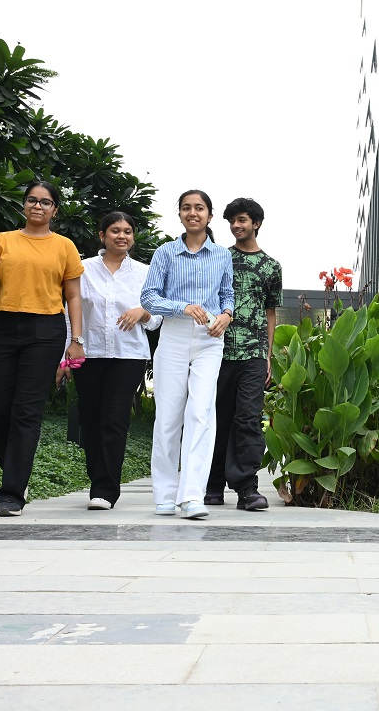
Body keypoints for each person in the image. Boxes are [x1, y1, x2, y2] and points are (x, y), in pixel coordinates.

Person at [0, 180, 85, 517]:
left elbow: (73, 296)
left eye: (45, 202)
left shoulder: (64, 247)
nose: (37, 206)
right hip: (3, 327)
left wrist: (76, 340)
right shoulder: (3, 241)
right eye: (32, 200)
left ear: (54, 210)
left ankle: (12, 492)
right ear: (23, 205)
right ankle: (15, 470)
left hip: (45, 330)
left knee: (26, 412)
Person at [140, 190, 234, 520]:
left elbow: (227, 295)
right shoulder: (166, 253)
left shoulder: (222, 255)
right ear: (179, 214)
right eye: (186, 208)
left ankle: (192, 495)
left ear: (209, 215)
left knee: (201, 413)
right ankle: (165, 494)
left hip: (210, 338)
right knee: (168, 417)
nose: (193, 213)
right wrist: (182, 306)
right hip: (175, 336)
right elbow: (149, 298)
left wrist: (226, 314)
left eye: (199, 208)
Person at [60, 211, 162, 511]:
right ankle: (98, 479)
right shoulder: (82, 269)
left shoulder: (144, 272)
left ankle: (105, 490)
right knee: (91, 420)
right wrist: (64, 355)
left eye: (128, 231)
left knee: (115, 420)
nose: (122, 236)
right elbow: (70, 313)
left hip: (128, 355)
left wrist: (142, 313)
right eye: (115, 230)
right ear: (102, 235)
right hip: (88, 354)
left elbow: (156, 318)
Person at [205, 197, 282, 510]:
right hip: (218, 350)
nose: (236, 226)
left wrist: (268, 355)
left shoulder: (271, 266)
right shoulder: (220, 258)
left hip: (252, 354)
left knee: (248, 419)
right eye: (232, 221)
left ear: (256, 224)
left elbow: (270, 312)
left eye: (242, 220)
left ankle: (247, 489)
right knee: (217, 419)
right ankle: (212, 486)